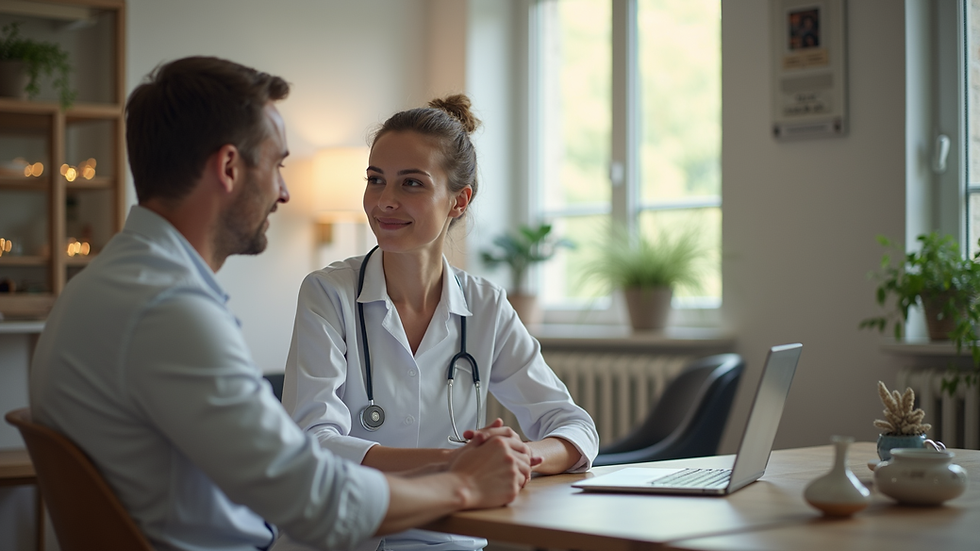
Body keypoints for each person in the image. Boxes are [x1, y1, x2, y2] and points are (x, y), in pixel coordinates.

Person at [28, 57, 536, 551]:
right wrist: (464, 482)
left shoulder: (109, 285)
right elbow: (317, 502)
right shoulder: (168, 310)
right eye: (278, 164)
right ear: (229, 167)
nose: (285, 192)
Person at [279, 95, 599, 551]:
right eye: (375, 180)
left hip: (448, 542)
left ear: (458, 201)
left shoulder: (486, 305)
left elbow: (574, 427)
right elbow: (314, 442)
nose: (385, 201)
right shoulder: (328, 293)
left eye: (411, 183)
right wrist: (460, 464)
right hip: (344, 540)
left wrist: (515, 457)